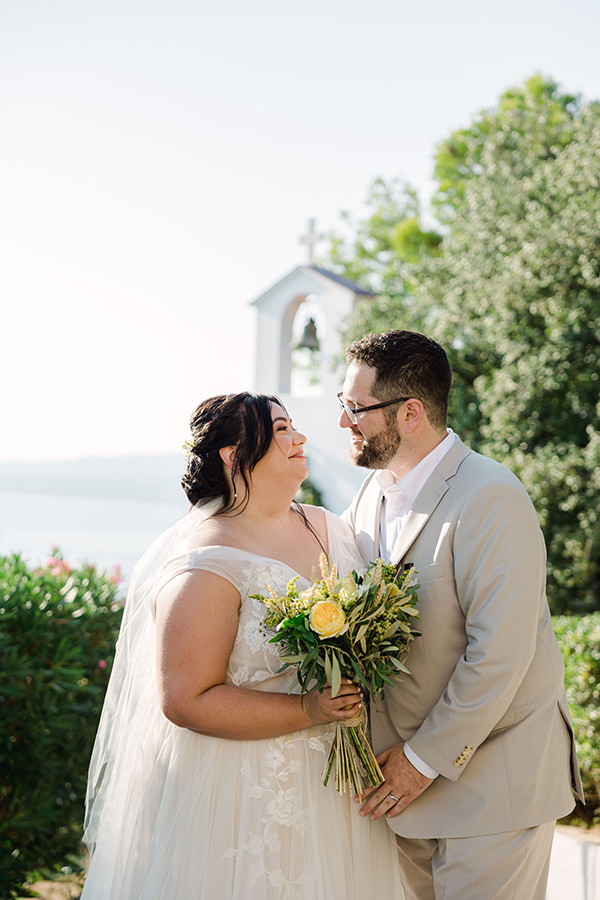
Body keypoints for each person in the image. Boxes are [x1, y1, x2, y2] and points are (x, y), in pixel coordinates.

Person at [81, 392, 403, 900]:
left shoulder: (327, 527)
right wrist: (309, 708)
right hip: (241, 793)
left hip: (338, 785)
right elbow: (186, 699)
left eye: (294, 426)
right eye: (279, 430)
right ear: (233, 455)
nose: (299, 438)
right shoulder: (207, 562)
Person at [338, 331, 583, 900]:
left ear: (410, 413)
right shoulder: (368, 497)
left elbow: (499, 653)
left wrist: (420, 763)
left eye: (355, 409)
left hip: (493, 788)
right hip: (399, 793)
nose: (344, 422)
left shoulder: (491, 494)